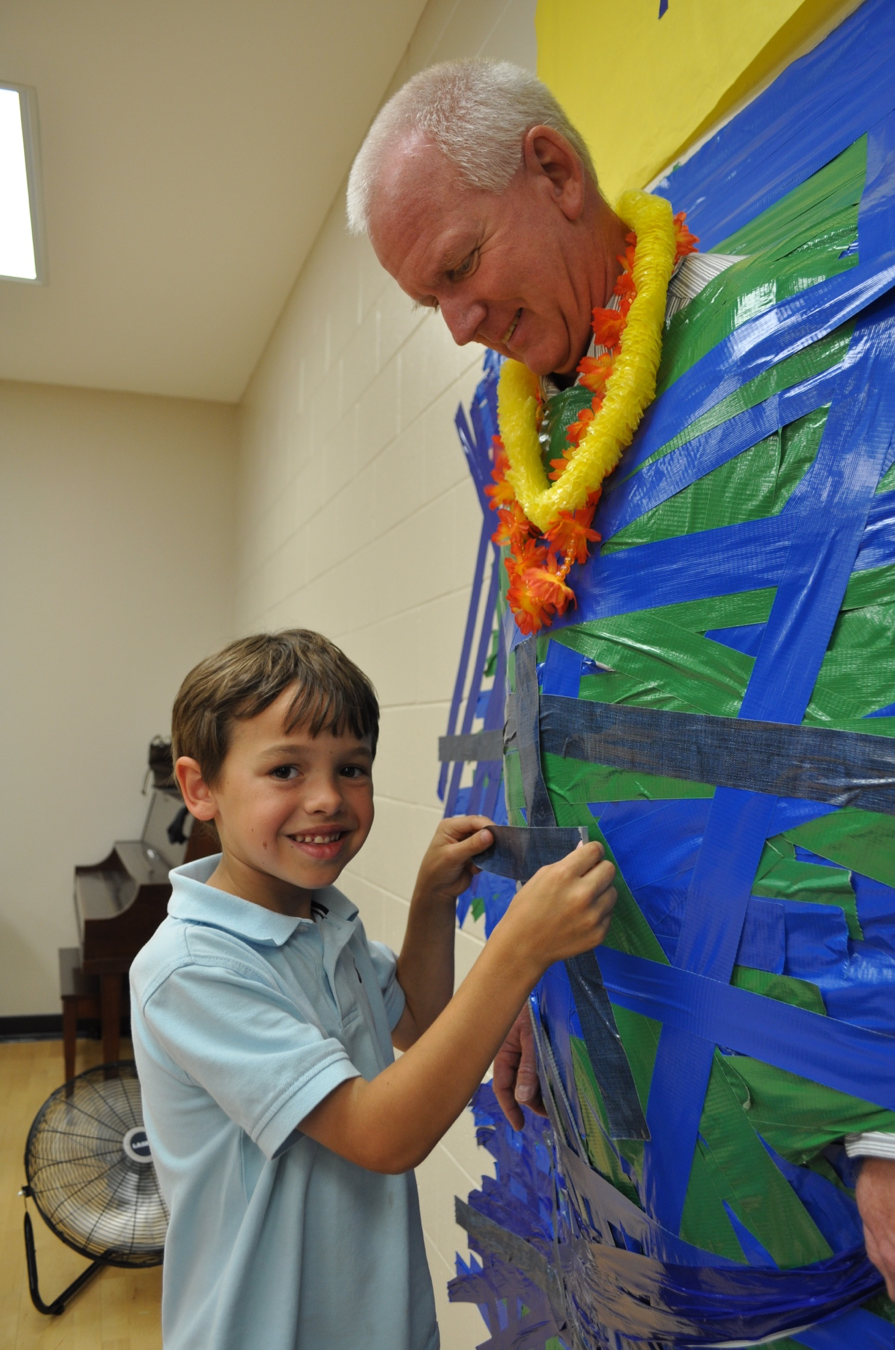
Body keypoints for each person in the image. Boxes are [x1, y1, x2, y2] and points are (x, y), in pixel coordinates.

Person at [346, 56, 895, 1324]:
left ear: (555, 170)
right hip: (617, 1086)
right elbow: (539, 722)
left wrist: (884, 1108)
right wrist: (519, 985)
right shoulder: (523, 439)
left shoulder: (797, 352)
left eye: (458, 266)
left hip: (821, 1118)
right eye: (425, 295)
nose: (457, 324)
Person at [129, 628, 617, 1350]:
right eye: (286, 771)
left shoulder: (322, 922)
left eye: (351, 768)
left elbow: (416, 1025)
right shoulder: (194, 969)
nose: (327, 798)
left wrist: (431, 905)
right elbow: (381, 1133)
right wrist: (518, 951)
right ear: (201, 788)